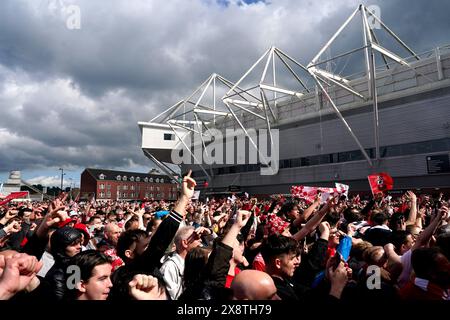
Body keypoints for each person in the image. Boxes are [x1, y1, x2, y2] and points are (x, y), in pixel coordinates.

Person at [159, 226, 204, 300]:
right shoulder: (170, 267)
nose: (201, 240)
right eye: (196, 238)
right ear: (185, 243)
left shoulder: (197, 262)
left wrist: (209, 232)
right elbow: (177, 297)